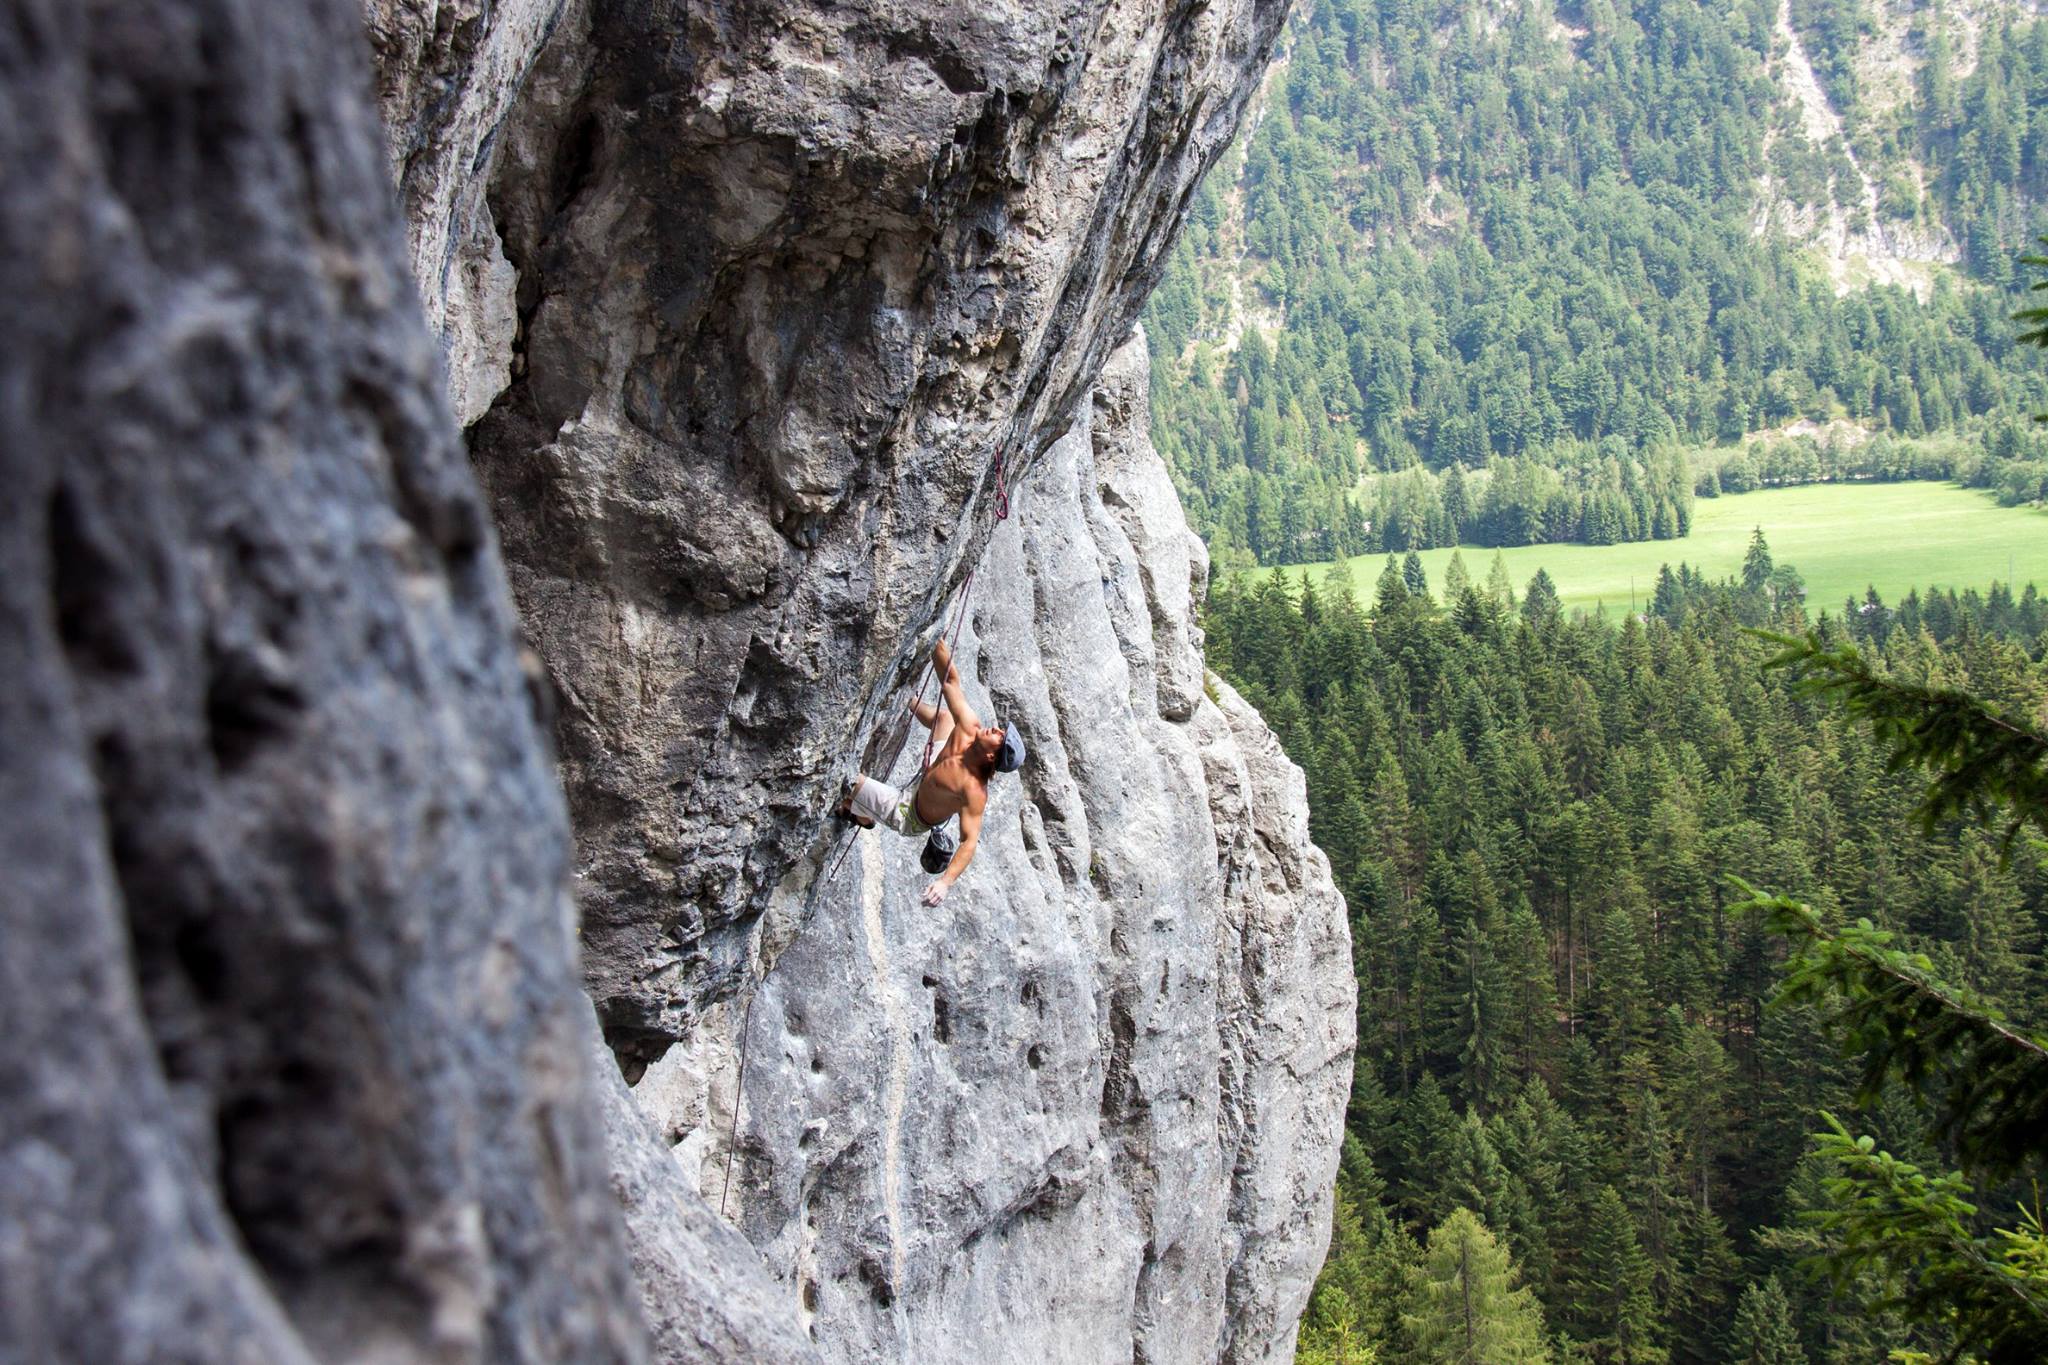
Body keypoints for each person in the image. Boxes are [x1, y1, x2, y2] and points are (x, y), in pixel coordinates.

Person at [838, 638, 1025, 905]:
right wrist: (935, 640)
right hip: (930, 773)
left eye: (1000, 736)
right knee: (945, 718)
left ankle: (862, 815)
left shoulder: (972, 790)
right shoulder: (969, 728)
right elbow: (950, 682)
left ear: (991, 755)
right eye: (1001, 729)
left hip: (908, 811)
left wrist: (945, 882)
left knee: (848, 780)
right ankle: (908, 702)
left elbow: (969, 841)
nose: (996, 729)